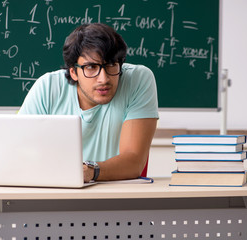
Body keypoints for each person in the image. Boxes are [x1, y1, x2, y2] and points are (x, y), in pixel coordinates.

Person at [19, 23, 159, 182]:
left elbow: (133, 162)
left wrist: (90, 171)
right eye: (91, 67)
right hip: (55, 188)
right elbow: (19, 150)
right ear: (73, 72)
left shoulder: (138, 79)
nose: (104, 79)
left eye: (112, 65)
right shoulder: (47, 87)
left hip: (117, 193)